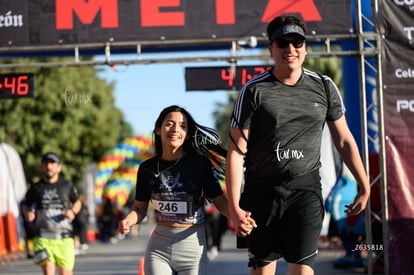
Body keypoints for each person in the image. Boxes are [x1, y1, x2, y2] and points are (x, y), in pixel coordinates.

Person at [225, 15, 371, 275]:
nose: (290, 49)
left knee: (303, 271)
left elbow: (344, 140)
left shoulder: (325, 86)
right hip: (261, 194)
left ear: (305, 47)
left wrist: (363, 184)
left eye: (297, 42)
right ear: (271, 49)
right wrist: (235, 206)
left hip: (305, 192)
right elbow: (236, 151)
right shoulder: (253, 91)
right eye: (283, 43)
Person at [118, 105, 255, 275]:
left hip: (192, 247)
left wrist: (237, 216)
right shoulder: (147, 168)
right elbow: (139, 208)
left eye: (182, 126)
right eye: (169, 124)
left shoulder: (199, 164)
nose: (175, 129)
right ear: (158, 129)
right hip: (159, 248)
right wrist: (128, 220)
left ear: (188, 134)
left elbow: (219, 201)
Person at [22, 152, 81, 275]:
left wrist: (72, 212)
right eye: (45, 163)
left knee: (65, 272)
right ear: (41, 167)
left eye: (52, 163)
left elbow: (77, 202)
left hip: (64, 237)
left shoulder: (67, 185)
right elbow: (25, 205)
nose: (49, 166)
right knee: (49, 270)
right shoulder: (36, 188)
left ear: (59, 167)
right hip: (42, 237)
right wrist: (28, 214)